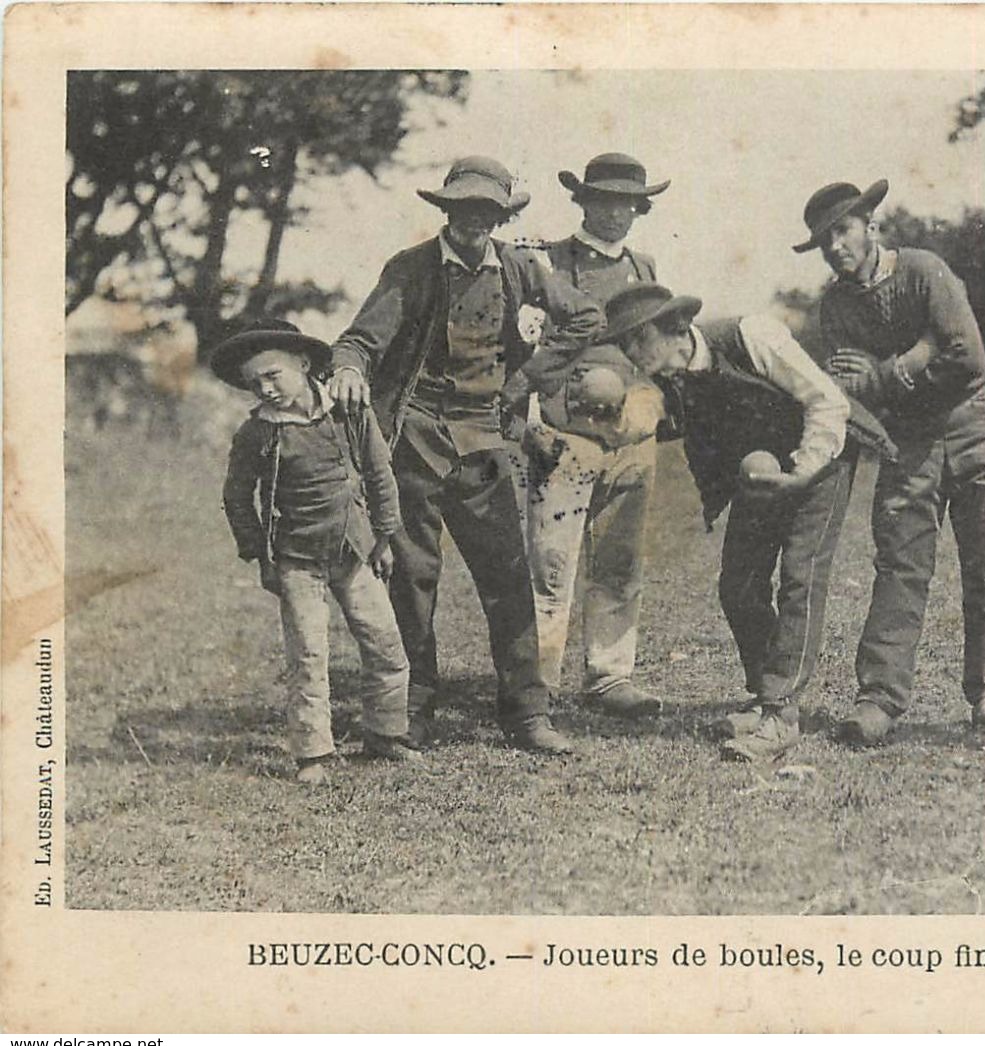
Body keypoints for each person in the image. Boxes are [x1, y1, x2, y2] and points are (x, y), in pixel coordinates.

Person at [328, 156, 603, 755]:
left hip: (485, 442)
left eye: (486, 211)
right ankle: (411, 710)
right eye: (463, 209)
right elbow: (358, 340)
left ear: (501, 217)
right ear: (447, 211)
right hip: (417, 440)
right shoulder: (411, 270)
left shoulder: (520, 268)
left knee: (507, 577)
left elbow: (584, 316)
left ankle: (528, 713)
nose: (474, 221)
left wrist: (526, 381)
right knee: (413, 578)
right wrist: (348, 368)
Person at [602, 283, 896, 763]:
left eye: (638, 339)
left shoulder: (750, 335)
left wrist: (801, 470)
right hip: (761, 471)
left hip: (823, 454)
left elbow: (828, 404)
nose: (632, 354)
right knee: (739, 584)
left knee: (801, 579)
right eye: (624, 345)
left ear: (675, 329)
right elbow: (657, 428)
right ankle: (765, 696)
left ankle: (781, 715)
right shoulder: (664, 382)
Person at [798, 179, 985, 746]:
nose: (835, 247)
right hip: (910, 440)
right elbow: (855, 393)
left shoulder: (923, 269)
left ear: (870, 224)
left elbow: (967, 357)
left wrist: (887, 371)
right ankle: (879, 697)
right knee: (899, 566)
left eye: (842, 231)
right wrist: (917, 355)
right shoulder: (837, 306)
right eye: (823, 240)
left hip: (977, 425)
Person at [217, 320, 416, 785]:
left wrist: (383, 538)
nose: (265, 389)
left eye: (273, 375)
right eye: (254, 383)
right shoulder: (257, 434)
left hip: (352, 549)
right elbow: (236, 496)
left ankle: (386, 734)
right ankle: (313, 755)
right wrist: (258, 553)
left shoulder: (346, 413)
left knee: (385, 641)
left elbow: (379, 472)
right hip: (295, 559)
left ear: (304, 365)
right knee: (308, 653)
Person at [511, 152, 670, 719]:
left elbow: (655, 351)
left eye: (627, 202)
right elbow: (524, 349)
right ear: (583, 201)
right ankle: (539, 681)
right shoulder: (547, 263)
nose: (615, 213)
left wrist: (650, 412)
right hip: (565, 430)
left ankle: (609, 676)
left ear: (639, 207)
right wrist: (530, 423)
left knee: (621, 558)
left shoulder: (645, 267)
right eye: (604, 200)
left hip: (629, 434)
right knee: (552, 563)